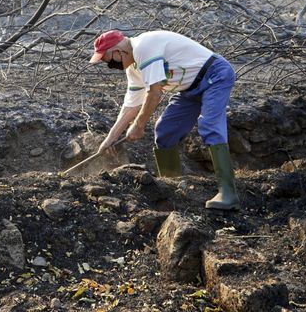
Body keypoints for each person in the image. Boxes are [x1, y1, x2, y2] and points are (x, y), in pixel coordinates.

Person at [89, 29, 240, 210]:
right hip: (189, 88)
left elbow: (154, 93)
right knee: (165, 131)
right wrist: (110, 138)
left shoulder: (143, 47)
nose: (113, 67)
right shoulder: (134, 68)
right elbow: (130, 106)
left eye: (111, 63)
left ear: (118, 51)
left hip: (215, 75)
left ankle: (228, 194)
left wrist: (138, 125)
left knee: (209, 125)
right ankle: (172, 188)